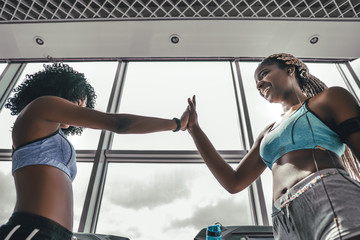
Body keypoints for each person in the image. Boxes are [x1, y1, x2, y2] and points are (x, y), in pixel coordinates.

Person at [0, 63, 189, 240]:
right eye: (83, 104)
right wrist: (178, 124)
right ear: (72, 94)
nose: (83, 108)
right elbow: (120, 124)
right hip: (31, 231)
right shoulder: (41, 107)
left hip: (55, 233)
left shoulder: (45, 128)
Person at [185, 53, 360, 240]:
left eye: (264, 74)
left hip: (327, 195)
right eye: (256, 83)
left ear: (290, 70)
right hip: (283, 220)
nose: (259, 85)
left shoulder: (328, 99)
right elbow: (233, 182)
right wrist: (195, 129)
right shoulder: (267, 133)